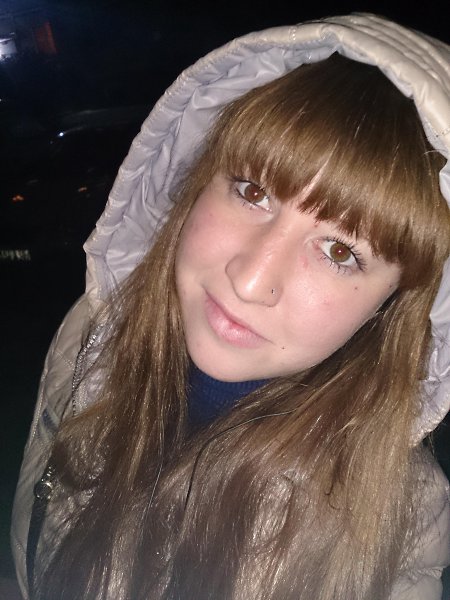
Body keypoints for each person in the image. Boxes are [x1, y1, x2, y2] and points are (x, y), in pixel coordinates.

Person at [11, 13, 450, 600]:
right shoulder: (90, 338)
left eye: (341, 251)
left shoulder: (401, 521)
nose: (250, 279)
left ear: (393, 304)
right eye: (252, 191)